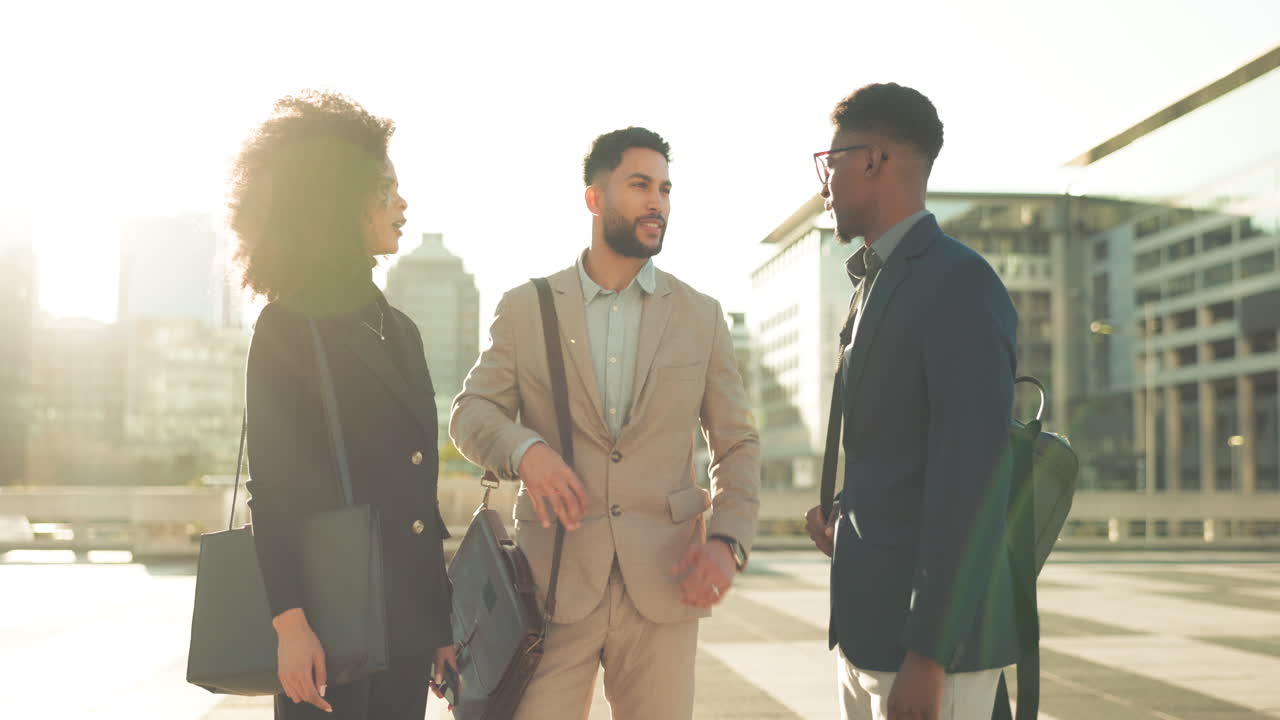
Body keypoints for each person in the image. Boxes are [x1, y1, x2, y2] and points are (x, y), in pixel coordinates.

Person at [449, 126, 760, 719]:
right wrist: (525, 451)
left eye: (666, 189)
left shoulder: (700, 315)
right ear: (594, 198)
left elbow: (737, 441)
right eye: (640, 185)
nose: (657, 203)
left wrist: (728, 542)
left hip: (665, 586)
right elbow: (470, 413)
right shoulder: (526, 307)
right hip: (550, 589)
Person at [231, 90, 456, 719]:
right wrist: (290, 625)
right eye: (386, 188)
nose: (403, 202)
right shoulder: (286, 327)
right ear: (340, 201)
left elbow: (418, 494)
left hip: (405, 627)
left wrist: (435, 621)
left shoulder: (401, 329)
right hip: (327, 630)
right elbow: (272, 492)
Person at [803, 84, 1020, 720]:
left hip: (927, 654)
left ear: (875, 159)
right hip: (870, 634)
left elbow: (973, 483)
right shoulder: (879, 280)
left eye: (833, 161)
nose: (825, 183)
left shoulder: (957, 283)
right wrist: (850, 515)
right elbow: (904, 452)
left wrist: (930, 655)